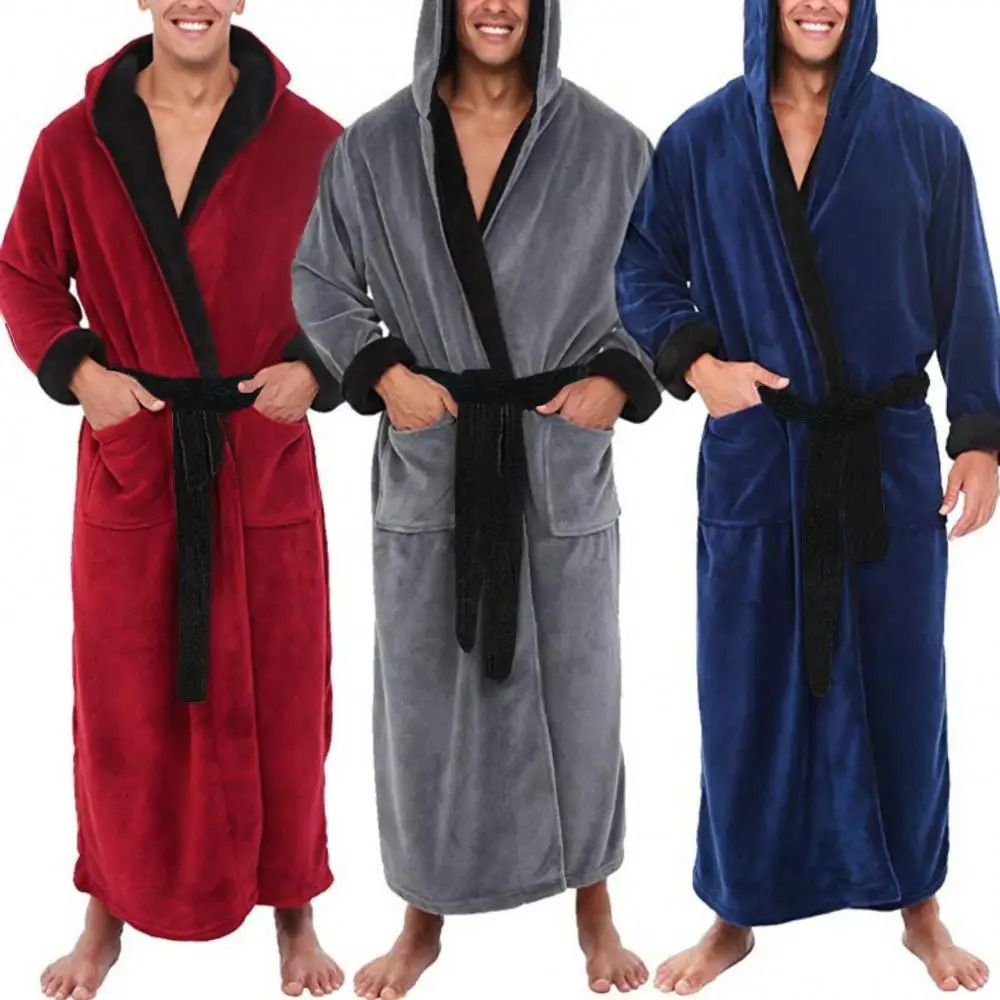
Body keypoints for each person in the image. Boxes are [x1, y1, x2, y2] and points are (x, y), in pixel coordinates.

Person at [616, 0, 998, 993]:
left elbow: (966, 289)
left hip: (883, 453)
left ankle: (918, 903)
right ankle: (734, 911)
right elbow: (641, 267)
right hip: (760, 450)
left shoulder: (923, 136)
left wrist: (979, 436)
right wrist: (698, 363)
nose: (817, 4)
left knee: (902, 684)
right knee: (744, 689)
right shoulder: (702, 138)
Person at [293, 0, 661, 995]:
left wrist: (619, 376)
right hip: (438, 453)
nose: (496, 7)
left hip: (553, 450)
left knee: (579, 691)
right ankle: (423, 913)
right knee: (427, 699)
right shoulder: (376, 145)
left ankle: (594, 904)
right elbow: (320, 280)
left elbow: (672, 278)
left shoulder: (612, 146)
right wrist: (383, 372)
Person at [0, 3, 344, 997]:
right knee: (124, 698)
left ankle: (293, 906)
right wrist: (83, 375)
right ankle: (105, 909)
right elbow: (25, 274)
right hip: (139, 451)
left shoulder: (314, 141)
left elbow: (380, 280)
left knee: (286, 691)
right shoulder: (74, 143)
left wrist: (316, 367)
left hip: (257, 449)